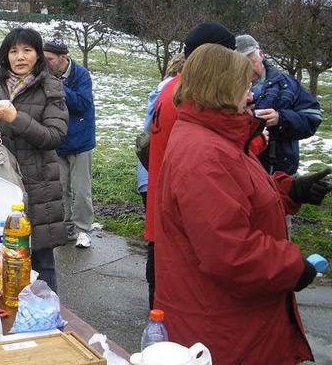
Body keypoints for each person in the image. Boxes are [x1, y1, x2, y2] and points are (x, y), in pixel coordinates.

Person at [154, 42, 331, 364]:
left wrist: (290, 192)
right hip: (223, 327)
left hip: (232, 318)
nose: (251, 95)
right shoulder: (205, 155)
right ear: (221, 88)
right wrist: (293, 267)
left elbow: (238, 197)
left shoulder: (217, 138)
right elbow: (228, 251)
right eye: (245, 86)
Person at [144, 21, 237, 309]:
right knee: (177, 326)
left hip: (162, 221)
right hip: (181, 229)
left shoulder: (172, 87)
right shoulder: (193, 99)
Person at [0, 27, 68, 292]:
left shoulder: (51, 88)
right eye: (14, 51)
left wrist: (16, 118)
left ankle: (46, 315)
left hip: (38, 187)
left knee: (42, 260)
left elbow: (55, 136)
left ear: (38, 55)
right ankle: (11, 317)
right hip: (2, 184)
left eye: (27, 50)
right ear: (6, 56)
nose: (20, 57)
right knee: (4, 254)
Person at [136, 52, 184, 310]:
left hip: (151, 176)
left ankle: (156, 308)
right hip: (159, 179)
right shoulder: (174, 94)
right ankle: (159, 310)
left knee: (156, 246)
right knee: (161, 251)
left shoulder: (163, 91)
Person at [235, 34, 322, 176]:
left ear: (261, 54)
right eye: (242, 66)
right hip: (246, 171)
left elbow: (313, 117)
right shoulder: (228, 87)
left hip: (282, 171)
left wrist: (281, 119)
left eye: (252, 62)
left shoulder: (287, 84)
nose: (249, 70)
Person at [43, 32, 96, 249]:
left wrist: (59, 88)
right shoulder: (46, 76)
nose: (45, 63)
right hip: (58, 140)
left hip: (81, 140)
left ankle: (84, 229)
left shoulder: (81, 75)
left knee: (81, 189)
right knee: (60, 187)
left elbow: (83, 104)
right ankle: (65, 228)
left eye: (50, 59)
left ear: (63, 57)